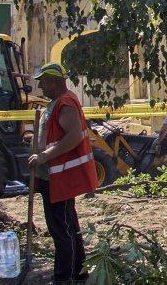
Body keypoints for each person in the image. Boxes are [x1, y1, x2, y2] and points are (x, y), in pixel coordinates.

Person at [28, 62, 99, 284]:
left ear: (56, 82)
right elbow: (57, 134)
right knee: (68, 224)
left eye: (43, 81)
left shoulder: (65, 103)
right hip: (53, 176)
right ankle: (79, 271)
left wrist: (45, 155)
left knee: (61, 228)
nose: (40, 86)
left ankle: (63, 278)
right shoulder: (57, 102)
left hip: (58, 177)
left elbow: (74, 136)